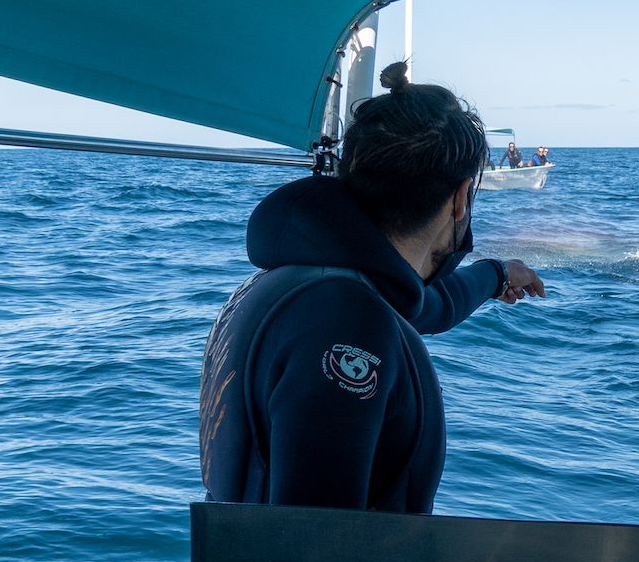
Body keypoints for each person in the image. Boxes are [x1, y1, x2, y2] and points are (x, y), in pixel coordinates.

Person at [200, 62, 544, 513]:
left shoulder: (311, 279)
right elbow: (318, 542)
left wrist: (497, 274)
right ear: (461, 198)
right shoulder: (344, 319)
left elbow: (424, 307)